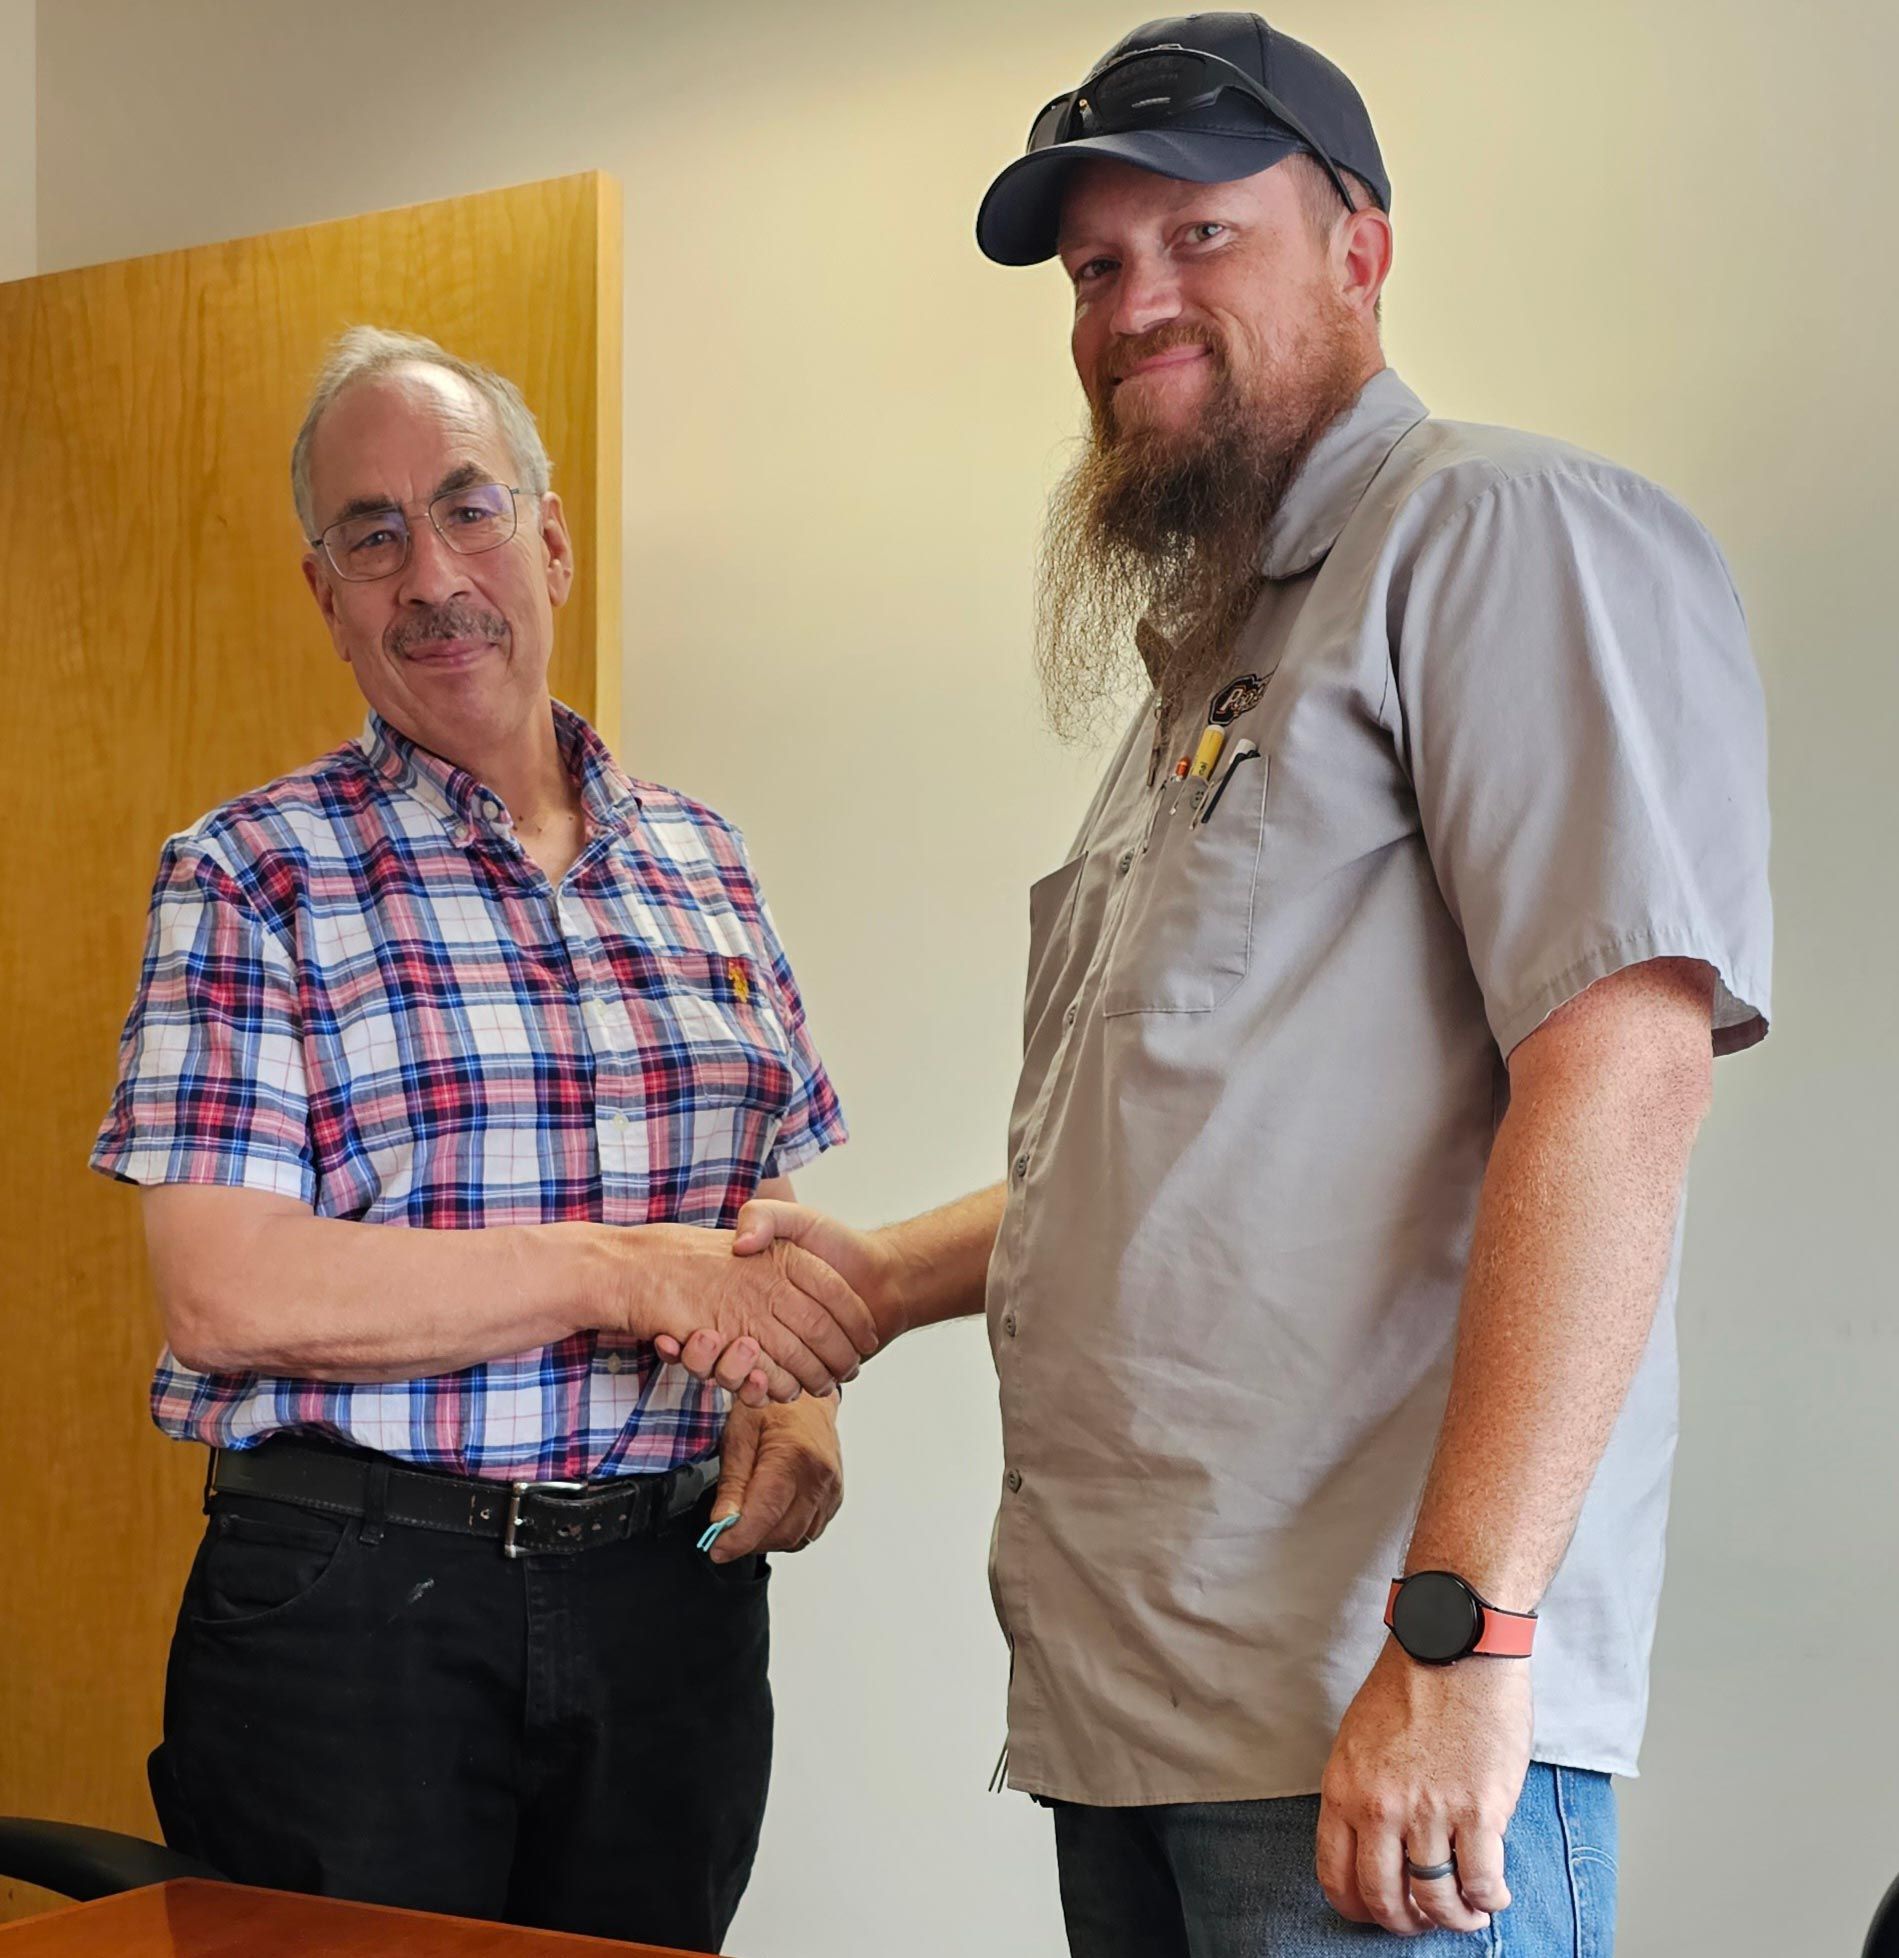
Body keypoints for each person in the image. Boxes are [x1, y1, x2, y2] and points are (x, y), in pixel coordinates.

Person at [703, 14, 1772, 1954]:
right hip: (1143, 1728)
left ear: (1360, 247)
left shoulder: (1489, 533)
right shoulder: (1216, 670)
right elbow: (1190, 1152)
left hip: (1374, 1724)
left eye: (1199, 235)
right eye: (1092, 267)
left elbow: (1620, 1076)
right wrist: (877, 1279)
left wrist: (1459, 1637)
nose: (1131, 306)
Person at [91, 326, 877, 1951]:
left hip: (670, 1606)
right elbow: (228, 1293)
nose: (432, 575)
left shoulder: (707, 863)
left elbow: (758, 1211)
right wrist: (618, 1271)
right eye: (371, 535)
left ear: (553, 541)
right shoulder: (248, 874)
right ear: (327, 595)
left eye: (467, 508)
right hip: (354, 1618)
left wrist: (793, 1396)